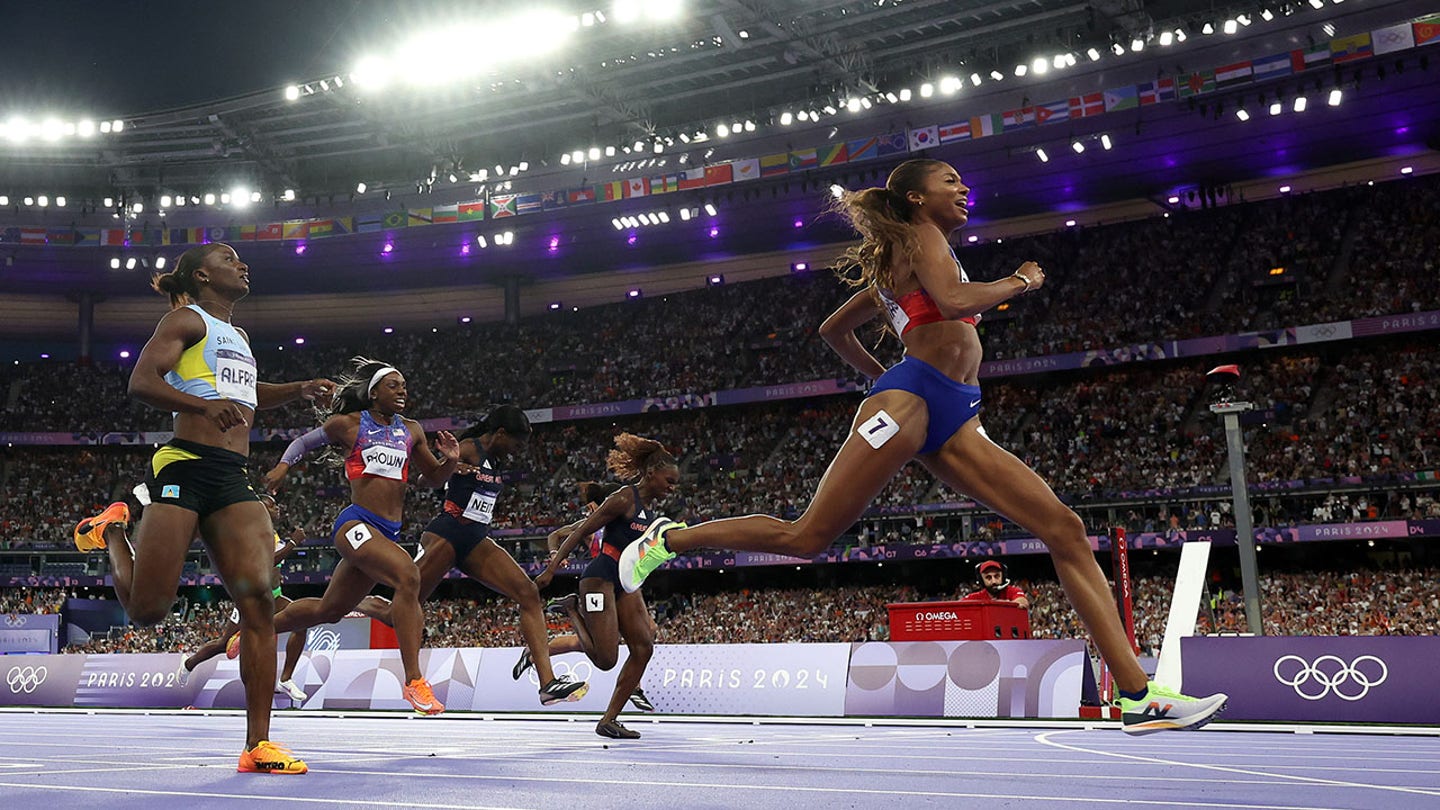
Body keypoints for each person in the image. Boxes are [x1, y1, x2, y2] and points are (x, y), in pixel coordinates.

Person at [619, 159, 1228, 735]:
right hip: (912, 399)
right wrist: (1020, 280)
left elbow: (836, 328)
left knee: (1064, 529)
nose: (964, 190)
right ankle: (667, 540)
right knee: (805, 538)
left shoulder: (908, 254)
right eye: (950, 181)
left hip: (955, 411)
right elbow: (957, 303)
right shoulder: (922, 236)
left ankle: (1136, 695)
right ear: (917, 197)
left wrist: (881, 367)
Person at [74, 242, 332, 773]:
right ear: (201, 274)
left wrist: (301, 388)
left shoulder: (236, 335)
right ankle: (112, 533)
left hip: (231, 477)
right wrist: (201, 405)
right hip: (183, 466)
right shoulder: (184, 321)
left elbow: (249, 393)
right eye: (229, 258)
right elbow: (141, 382)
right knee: (147, 611)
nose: (242, 264)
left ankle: (257, 745)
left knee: (259, 601)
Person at [267, 405, 589, 707]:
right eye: (518, 443)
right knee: (403, 612)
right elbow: (425, 479)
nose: (520, 451)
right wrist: (454, 466)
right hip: (447, 535)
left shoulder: (496, 459)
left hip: (476, 539)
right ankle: (368, 607)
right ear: (501, 433)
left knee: (528, 593)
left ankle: (546, 684)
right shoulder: (468, 448)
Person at [264, 357, 459, 715]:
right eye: (394, 385)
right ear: (373, 395)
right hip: (354, 524)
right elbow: (302, 444)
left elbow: (432, 479)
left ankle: (254, 629)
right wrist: (281, 468)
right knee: (408, 575)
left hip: (386, 532)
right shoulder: (349, 425)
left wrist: (449, 461)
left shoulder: (412, 430)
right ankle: (414, 681)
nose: (403, 391)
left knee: (329, 609)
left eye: (404, 386)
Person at [535, 435, 678, 739]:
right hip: (598, 580)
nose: (672, 487)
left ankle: (609, 720)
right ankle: (572, 608)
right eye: (670, 480)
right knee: (605, 660)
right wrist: (551, 567)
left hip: (622, 584)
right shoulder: (624, 499)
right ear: (652, 473)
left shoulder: (650, 515)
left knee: (643, 647)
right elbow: (580, 531)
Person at [517, 480, 656, 713]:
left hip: (621, 582)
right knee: (600, 646)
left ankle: (533, 653)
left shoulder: (622, 518)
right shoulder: (591, 523)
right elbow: (555, 535)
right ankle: (537, 650)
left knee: (646, 631)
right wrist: (554, 556)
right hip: (600, 585)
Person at [169, 492, 308, 702]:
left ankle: (285, 679)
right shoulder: (252, 532)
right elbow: (265, 562)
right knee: (224, 644)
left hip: (275, 596)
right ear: (260, 510)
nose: (278, 508)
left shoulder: (273, 533)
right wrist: (293, 544)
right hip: (250, 597)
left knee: (301, 624)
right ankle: (189, 663)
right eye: (272, 505)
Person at [963, 560, 1030, 609]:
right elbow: (955, 608)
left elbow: (1023, 602)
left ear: (1003, 577)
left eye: (997, 576)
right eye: (988, 577)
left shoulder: (1012, 591)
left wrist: (1000, 604)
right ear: (981, 580)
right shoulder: (975, 597)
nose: (994, 581)